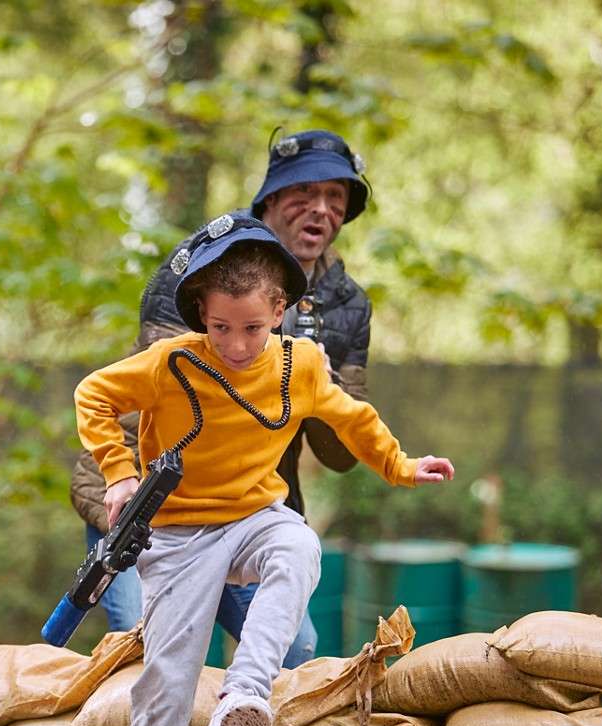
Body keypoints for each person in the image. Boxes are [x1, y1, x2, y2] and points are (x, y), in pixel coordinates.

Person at [73, 214, 454, 726]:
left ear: (280, 310)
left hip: (254, 519)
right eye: (220, 327)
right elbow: (93, 394)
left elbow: (353, 418)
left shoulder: (301, 364)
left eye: (252, 327)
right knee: (164, 689)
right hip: (177, 533)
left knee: (300, 545)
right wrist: (118, 476)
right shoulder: (170, 363)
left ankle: (245, 694)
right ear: (201, 315)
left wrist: (401, 466)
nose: (237, 343)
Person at [70, 128, 374, 666]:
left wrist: (320, 386)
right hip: (147, 503)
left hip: (245, 507)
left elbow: (342, 454)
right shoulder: (202, 265)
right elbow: (176, 392)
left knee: (296, 650)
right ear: (271, 200)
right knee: (156, 650)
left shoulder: (346, 305)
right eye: (304, 194)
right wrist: (121, 479)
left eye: (336, 198)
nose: (320, 209)